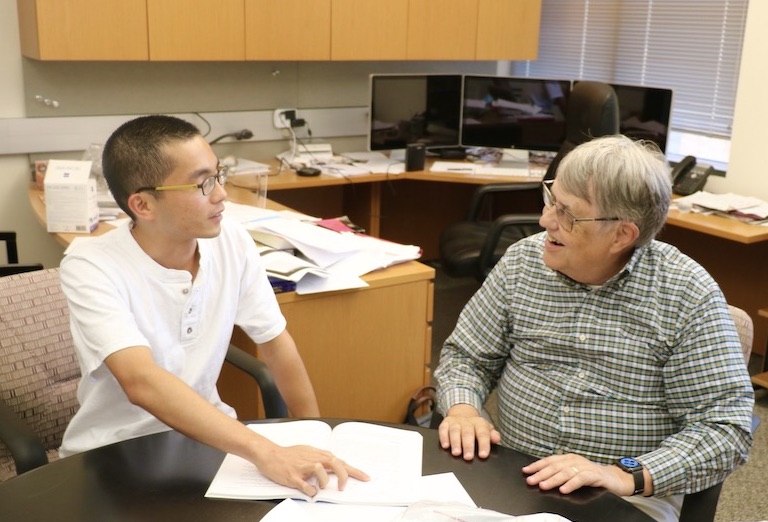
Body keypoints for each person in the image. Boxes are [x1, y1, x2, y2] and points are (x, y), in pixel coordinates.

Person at [434, 135, 754, 521]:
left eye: (567, 214)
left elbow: (725, 430)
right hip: (512, 474)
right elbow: (466, 356)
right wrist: (464, 409)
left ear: (622, 235)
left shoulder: (686, 294)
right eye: (551, 199)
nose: (545, 220)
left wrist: (623, 475)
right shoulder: (522, 262)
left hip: (622, 499)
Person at [59, 114, 368, 496]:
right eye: (203, 182)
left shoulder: (231, 241)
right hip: (115, 453)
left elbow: (275, 341)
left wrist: (318, 438)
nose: (221, 193)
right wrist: (266, 452)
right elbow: (141, 382)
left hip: (210, 443)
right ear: (143, 204)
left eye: (219, 174)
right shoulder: (90, 265)